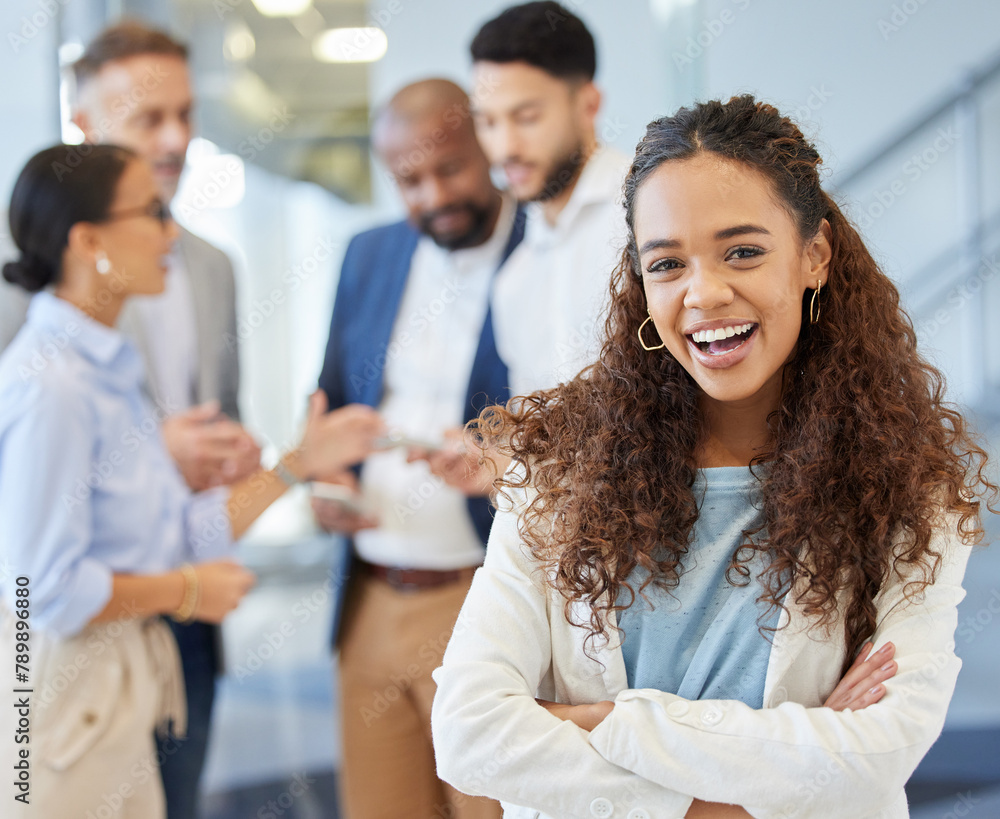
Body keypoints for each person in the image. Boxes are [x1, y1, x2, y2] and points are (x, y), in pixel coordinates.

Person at [431, 96, 994, 818]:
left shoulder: (907, 488)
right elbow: (473, 734)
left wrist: (600, 720)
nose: (704, 292)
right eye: (667, 263)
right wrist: (731, 800)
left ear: (814, 255)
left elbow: (879, 754)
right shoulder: (556, 470)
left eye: (743, 252)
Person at [0, 144, 382, 819]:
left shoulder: (107, 369)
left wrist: (295, 463)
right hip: (63, 702)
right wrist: (188, 591)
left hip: (115, 691)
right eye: (152, 212)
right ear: (88, 240)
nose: (171, 231)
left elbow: (178, 532)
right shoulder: (52, 384)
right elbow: (45, 588)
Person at [314, 79, 521, 818]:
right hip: (368, 596)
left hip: (481, 599)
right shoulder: (368, 254)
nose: (433, 194)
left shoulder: (543, 250)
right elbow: (332, 404)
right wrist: (323, 482)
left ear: (489, 151)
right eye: (409, 180)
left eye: (451, 168)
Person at [469, 0, 631, 397]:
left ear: (588, 105)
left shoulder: (647, 213)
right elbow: (537, 431)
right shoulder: (514, 277)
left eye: (526, 117)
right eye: (487, 121)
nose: (505, 148)